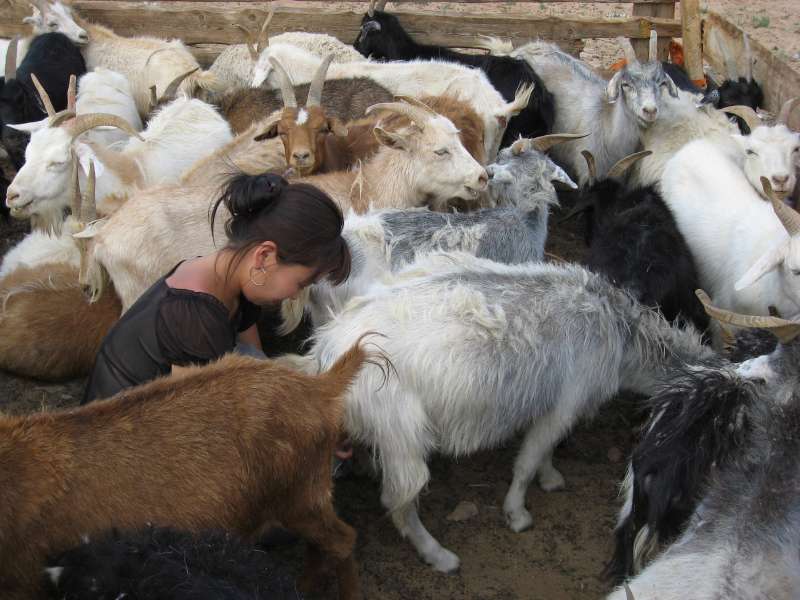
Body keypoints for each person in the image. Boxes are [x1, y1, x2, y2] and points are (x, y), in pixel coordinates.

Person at [82, 172, 351, 405]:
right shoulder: (194, 316)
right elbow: (197, 426)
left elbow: (256, 366)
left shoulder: (230, 277)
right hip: (121, 439)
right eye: (301, 283)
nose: (294, 294)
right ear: (265, 256)